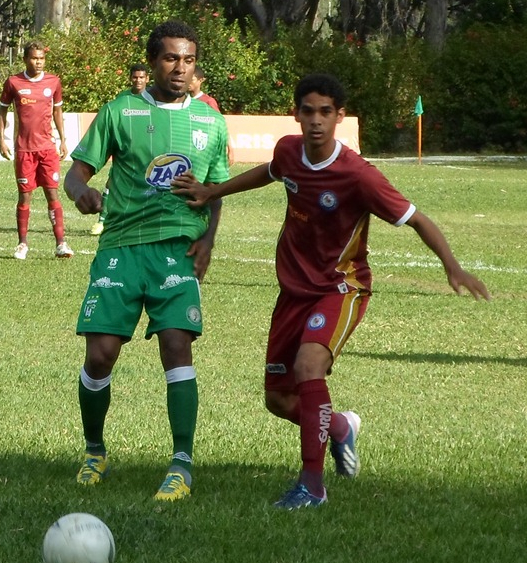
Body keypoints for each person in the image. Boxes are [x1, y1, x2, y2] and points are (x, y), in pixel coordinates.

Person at [172, 73, 491, 509]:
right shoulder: (289, 150)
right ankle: (340, 427)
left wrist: (452, 266)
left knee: (309, 367)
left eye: (326, 112)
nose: (316, 121)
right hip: (293, 291)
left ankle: (312, 486)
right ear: (296, 114)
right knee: (279, 400)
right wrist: (214, 192)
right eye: (308, 111)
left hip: (341, 288)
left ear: (340, 116)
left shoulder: (358, 175)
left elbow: (416, 218)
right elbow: (269, 172)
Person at [62, 20, 228, 501]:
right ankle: (95, 451)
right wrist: (80, 192)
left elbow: (216, 190)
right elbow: (76, 173)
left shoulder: (211, 122)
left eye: (189, 60)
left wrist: (208, 241)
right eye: (171, 58)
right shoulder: (120, 111)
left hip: (177, 248)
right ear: (154, 62)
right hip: (121, 247)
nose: (180, 68)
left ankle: (182, 464)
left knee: (177, 345)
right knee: (100, 354)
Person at [0, 40, 72, 260]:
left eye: (41, 58)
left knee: (52, 193)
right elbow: (2, 111)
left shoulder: (53, 82)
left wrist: (63, 140)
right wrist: (1, 139)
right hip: (24, 150)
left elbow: (57, 112)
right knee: (25, 197)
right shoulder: (13, 82)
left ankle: (61, 243)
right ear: (25, 59)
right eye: (34, 58)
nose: (38, 62)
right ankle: (22, 244)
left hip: (47, 149)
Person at [90, 63, 150, 237]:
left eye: (141, 77)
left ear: (147, 79)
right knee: (112, 182)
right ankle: (102, 221)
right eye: (135, 77)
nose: (138, 80)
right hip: (125, 148)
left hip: (146, 149)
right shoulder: (123, 98)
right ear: (130, 78)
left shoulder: (153, 98)